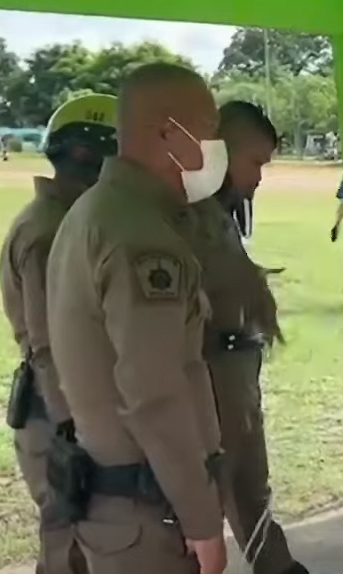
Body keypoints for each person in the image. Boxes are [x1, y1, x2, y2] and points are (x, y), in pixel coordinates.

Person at [45, 63, 228, 574]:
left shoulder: (93, 213)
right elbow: (154, 394)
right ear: (168, 133)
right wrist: (202, 521)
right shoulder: (139, 238)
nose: (217, 148)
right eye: (209, 131)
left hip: (119, 505)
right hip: (149, 516)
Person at [187, 100, 308, 574]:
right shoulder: (187, 217)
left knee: (250, 488)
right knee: (211, 496)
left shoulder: (218, 214)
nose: (259, 177)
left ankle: (277, 567)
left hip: (236, 375)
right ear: (219, 152)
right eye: (254, 162)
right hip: (212, 380)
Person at [0, 93, 117, 574]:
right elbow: (48, 344)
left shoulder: (65, 220)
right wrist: (76, 428)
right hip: (57, 412)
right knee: (70, 545)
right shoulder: (50, 231)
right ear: (93, 158)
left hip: (62, 407)